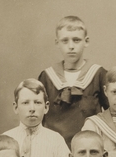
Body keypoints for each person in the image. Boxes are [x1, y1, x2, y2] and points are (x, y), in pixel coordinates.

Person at [38, 15, 107, 144]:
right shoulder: (47, 77)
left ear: (86, 41)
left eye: (76, 40)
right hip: (53, 146)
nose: (71, 46)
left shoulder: (98, 74)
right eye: (65, 41)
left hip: (89, 146)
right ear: (57, 43)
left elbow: (111, 114)